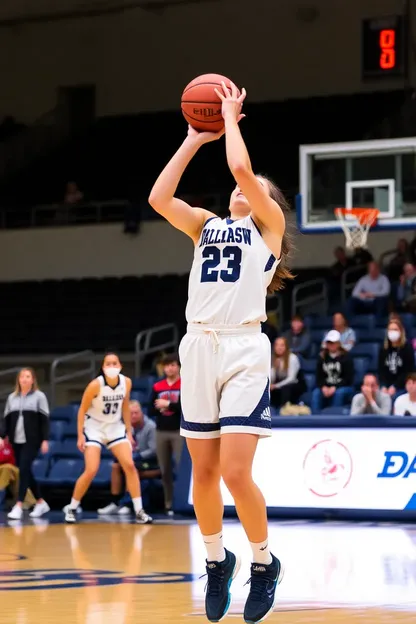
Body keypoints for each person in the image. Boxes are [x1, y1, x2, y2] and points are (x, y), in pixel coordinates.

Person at [149, 82, 289, 624]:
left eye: (256, 190)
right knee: (201, 475)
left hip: (243, 348)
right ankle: (216, 560)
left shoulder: (268, 231)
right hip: (198, 344)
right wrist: (191, 139)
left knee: (234, 471)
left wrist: (230, 119)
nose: (241, 193)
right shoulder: (206, 226)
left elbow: (241, 172)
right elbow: (160, 199)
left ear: (265, 202)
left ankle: (262, 563)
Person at [64, 351, 152, 524]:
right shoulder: (95, 385)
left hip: (114, 427)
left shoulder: (126, 382)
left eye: (114, 363)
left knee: (130, 465)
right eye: (108, 364)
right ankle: (72, 507)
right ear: (103, 367)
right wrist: (80, 435)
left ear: (120, 366)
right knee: (91, 469)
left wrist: (128, 431)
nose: (111, 366)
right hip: (94, 427)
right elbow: (82, 409)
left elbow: (125, 405)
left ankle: (139, 510)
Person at [0, 368, 50, 520]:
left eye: (28, 376)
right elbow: (6, 420)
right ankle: (40, 502)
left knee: (24, 470)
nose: (25, 379)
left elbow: (44, 420)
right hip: (16, 440)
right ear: (19, 380)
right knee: (25, 469)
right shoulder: (12, 398)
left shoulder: (39, 397)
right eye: (22, 376)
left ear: (33, 379)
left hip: (33, 440)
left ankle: (19, 505)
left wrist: (45, 439)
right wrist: (3, 436)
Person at [97, 400, 157, 516]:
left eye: (136, 413)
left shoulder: (151, 427)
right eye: (131, 413)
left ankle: (127, 504)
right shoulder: (124, 427)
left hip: (150, 462)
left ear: (141, 412)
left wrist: (138, 456)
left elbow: (154, 450)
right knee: (116, 465)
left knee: (131, 467)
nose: (134, 416)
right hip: (133, 458)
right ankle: (114, 502)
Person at [148, 353, 182, 516]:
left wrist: (168, 404)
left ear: (179, 367)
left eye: (173, 365)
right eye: (167, 365)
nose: (170, 368)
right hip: (161, 431)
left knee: (180, 467)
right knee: (165, 469)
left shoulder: (184, 384)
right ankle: (168, 503)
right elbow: (150, 409)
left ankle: (182, 501)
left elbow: (184, 407)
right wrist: (159, 407)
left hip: (178, 431)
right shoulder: (157, 386)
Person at [311, 330, 354, 414]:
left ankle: (334, 420)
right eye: (329, 342)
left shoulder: (347, 357)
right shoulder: (322, 357)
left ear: (338, 343)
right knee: (316, 393)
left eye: (333, 342)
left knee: (339, 393)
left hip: (343, 387)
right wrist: (323, 387)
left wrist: (334, 387)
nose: (331, 345)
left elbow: (348, 379)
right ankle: (315, 420)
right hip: (326, 387)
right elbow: (319, 377)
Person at [378, 319, 415, 401]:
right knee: (380, 398)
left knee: (394, 398)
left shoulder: (407, 348)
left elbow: (408, 372)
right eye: (390, 330)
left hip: (403, 385)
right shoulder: (383, 349)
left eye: (395, 329)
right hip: (387, 385)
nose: (392, 332)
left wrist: (395, 386)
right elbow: (381, 371)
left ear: (401, 331)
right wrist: (384, 386)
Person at [270, 337, 306, 409]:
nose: (279, 347)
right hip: (280, 383)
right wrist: (274, 368)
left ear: (286, 347)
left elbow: (291, 378)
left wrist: (276, 386)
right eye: (277, 345)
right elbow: (272, 379)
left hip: (295, 384)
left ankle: (284, 410)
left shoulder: (292, 358)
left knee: (285, 389)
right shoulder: (272, 358)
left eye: (282, 345)